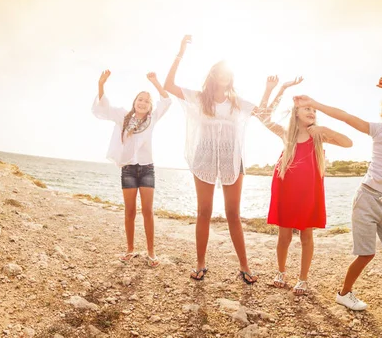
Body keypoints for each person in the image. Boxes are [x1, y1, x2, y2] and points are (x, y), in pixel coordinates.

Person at [294, 76, 382, 311]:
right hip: (367, 198)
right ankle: (344, 294)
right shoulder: (378, 131)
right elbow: (346, 117)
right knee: (366, 254)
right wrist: (314, 103)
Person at [163, 35, 283, 284]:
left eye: (229, 74)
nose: (225, 77)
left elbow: (264, 115)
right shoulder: (199, 98)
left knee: (233, 214)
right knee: (204, 212)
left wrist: (269, 90)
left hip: (231, 159)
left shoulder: (237, 103)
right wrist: (180, 52)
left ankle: (244, 266)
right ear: (213, 75)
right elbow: (168, 85)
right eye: (221, 73)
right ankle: (200, 263)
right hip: (205, 156)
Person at [260, 76, 352, 295]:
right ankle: (280, 272)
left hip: (308, 192)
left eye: (314, 110)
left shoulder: (317, 135)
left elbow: (348, 143)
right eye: (307, 109)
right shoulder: (287, 135)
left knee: (306, 236)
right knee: (284, 236)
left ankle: (303, 279)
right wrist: (276, 88)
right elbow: (261, 114)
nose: (312, 112)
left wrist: (325, 129)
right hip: (286, 190)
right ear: (296, 113)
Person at [92, 70, 171, 268]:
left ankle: (151, 252)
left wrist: (155, 81)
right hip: (128, 170)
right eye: (140, 99)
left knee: (147, 211)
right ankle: (130, 249)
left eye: (146, 101)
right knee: (129, 211)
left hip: (146, 170)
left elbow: (166, 100)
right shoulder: (123, 116)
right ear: (134, 101)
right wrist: (101, 84)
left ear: (150, 106)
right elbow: (104, 107)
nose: (142, 102)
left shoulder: (152, 119)